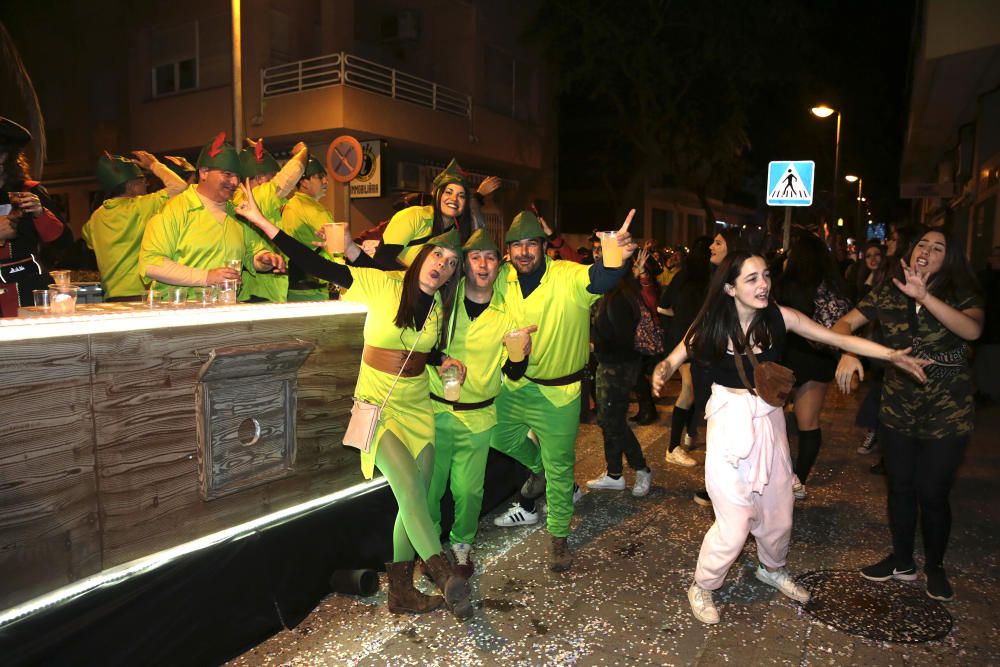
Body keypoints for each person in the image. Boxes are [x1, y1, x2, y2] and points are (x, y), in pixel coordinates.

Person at [234, 181, 475, 620]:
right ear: (421, 257)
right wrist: (263, 223)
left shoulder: (440, 307)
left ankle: (401, 593)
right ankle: (441, 572)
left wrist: (441, 360)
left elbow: (423, 350)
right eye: (437, 254)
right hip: (377, 406)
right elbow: (313, 262)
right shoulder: (380, 284)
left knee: (415, 499)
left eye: (451, 262)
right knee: (408, 489)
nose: (442, 264)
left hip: (418, 406)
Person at [652, 251, 928, 625]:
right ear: (730, 287)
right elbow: (681, 350)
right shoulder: (713, 323)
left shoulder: (781, 318)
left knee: (778, 512)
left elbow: (834, 337)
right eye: (751, 279)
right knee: (734, 524)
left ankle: (773, 568)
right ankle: (703, 584)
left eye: (765, 275)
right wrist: (665, 366)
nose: (763, 284)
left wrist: (891, 355)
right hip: (728, 422)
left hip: (769, 421)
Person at [834, 226, 984, 602]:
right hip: (898, 406)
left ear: (947, 259)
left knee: (932, 492)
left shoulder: (961, 291)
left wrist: (925, 297)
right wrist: (849, 350)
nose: (927, 251)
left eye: (938, 248)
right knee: (899, 486)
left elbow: (972, 330)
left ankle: (935, 565)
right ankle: (902, 560)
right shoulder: (888, 288)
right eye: (922, 244)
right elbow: (846, 323)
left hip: (948, 411)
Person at [489, 209, 637, 572]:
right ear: (508, 250)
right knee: (496, 434)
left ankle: (558, 538)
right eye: (516, 245)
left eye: (531, 244)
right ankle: (541, 472)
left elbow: (603, 277)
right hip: (514, 384)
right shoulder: (502, 278)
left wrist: (616, 254)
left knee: (560, 466)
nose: (524, 252)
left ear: (543, 247)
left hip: (559, 394)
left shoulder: (567, 276)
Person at [426, 228, 536, 578]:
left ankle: (461, 546)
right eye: (475, 257)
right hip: (435, 412)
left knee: (469, 491)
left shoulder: (506, 314)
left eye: (490, 257)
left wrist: (521, 355)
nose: (483, 264)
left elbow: (513, 371)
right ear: (465, 265)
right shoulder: (445, 301)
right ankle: (428, 550)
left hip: (479, 416)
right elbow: (422, 345)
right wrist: (440, 358)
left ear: (498, 266)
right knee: (430, 488)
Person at [139, 133, 286, 298]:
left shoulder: (237, 213)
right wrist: (207, 277)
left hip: (224, 312)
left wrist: (263, 259)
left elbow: (251, 253)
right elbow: (151, 263)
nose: (234, 182)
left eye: (237, 176)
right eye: (227, 174)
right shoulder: (174, 210)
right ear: (203, 172)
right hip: (179, 313)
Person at [773, 231, 851, 499]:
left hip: (786, 358)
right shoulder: (832, 285)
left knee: (770, 420)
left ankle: (774, 475)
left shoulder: (784, 284)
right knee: (809, 423)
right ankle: (799, 480)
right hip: (818, 360)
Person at [586, 251, 654, 496]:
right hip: (610, 366)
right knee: (609, 422)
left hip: (619, 368)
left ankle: (642, 469)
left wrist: (595, 345)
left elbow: (623, 339)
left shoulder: (620, 297)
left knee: (611, 422)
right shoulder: (614, 292)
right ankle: (614, 473)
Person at [82, 150, 188, 300]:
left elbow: (90, 242)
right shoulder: (140, 207)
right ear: (131, 186)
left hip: (111, 297)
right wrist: (154, 165)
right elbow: (179, 187)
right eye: (143, 181)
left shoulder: (95, 218)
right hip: (139, 294)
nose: (147, 185)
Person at [374, 158, 498, 269]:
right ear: (436, 193)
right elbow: (382, 259)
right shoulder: (413, 216)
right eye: (448, 192)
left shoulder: (455, 233)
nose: (454, 199)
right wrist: (416, 280)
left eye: (461, 196)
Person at [0, 117, 68, 314]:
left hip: (28, 291)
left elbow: (63, 244)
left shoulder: (30, 192)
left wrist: (41, 214)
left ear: (4, 156)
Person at [658, 236, 712, 467]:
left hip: (691, 339)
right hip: (689, 343)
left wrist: (678, 320)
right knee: (690, 390)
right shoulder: (710, 278)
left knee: (700, 389)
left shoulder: (684, 276)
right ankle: (673, 446)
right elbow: (662, 306)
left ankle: (690, 434)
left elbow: (662, 307)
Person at [235, 137, 308, 302]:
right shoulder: (259, 195)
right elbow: (293, 172)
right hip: (262, 292)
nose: (275, 178)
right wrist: (303, 150)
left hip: (250, 289)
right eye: (272, 175)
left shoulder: (237, 198)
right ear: (260, 178)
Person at [282, 157, 335, 301]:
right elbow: (337, 245)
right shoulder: (308, 208)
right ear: (304, 182)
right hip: (309, 292)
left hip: (298, 288)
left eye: (325, 177)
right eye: (319, 177)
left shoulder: (293, 204)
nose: (325, 182)